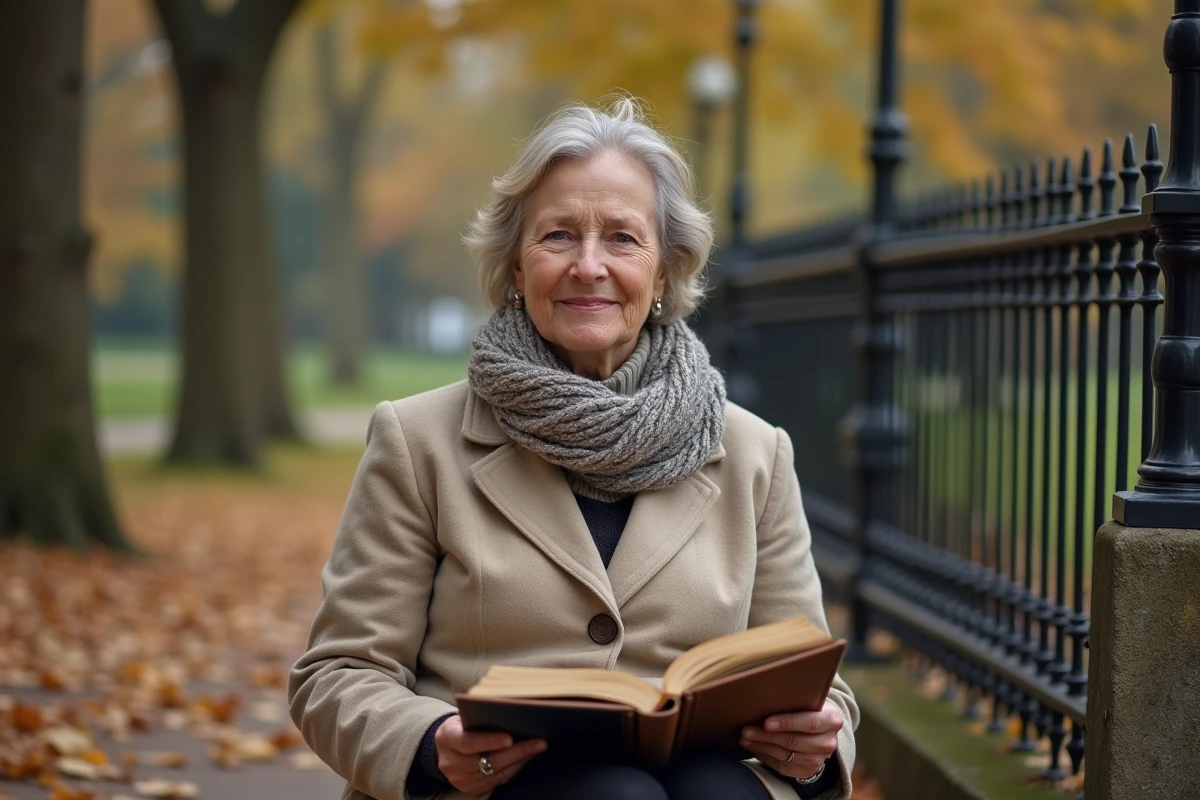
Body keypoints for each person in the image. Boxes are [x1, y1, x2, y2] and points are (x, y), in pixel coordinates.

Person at [288, 97, 858, 800]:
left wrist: (813, 747)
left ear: (663, 272)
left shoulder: (755, 454)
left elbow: (820, 687)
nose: (589, 266)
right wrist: (431, 747)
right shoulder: (418, 441)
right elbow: (337, 674)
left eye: (622, 238)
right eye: (558, 236)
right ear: (515, 266)